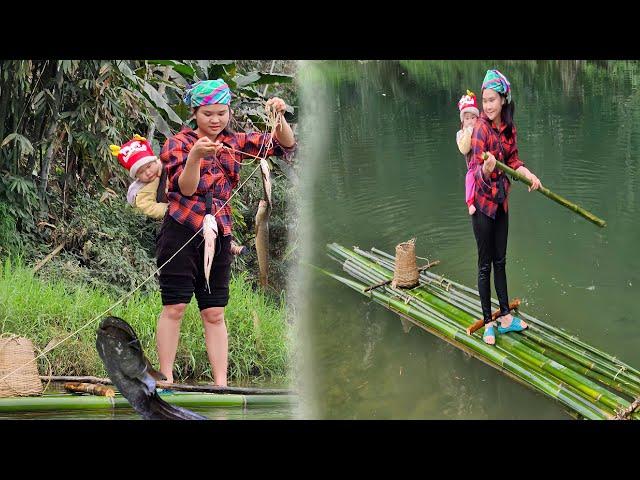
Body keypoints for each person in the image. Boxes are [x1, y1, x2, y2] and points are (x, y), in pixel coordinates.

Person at [156, 79, 296, 385]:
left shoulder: (234, 142)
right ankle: (165, 377)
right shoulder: (177, 144)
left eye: (221, 113)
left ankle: (221, 384)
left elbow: (284, 145)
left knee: (215, 312)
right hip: (181, 231)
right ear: (194, 113)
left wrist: (278, 116)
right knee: (175, 306)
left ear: (229, 111)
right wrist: (195, 156)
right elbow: (186, 188)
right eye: (208, 114)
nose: (216, 120)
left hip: (219, 234)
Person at [469, 69, 542, 345]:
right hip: (484, 206)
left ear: (503, 100)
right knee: (485, 265)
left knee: (501, 261)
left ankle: (506, 317)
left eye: (492, 100)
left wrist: (529, 176)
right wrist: (487, 172)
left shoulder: (509, 128)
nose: (487, 106)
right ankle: (488, 321)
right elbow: (476, 173)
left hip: (502, 204)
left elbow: (513, 161)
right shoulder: (479, 129)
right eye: (484, 100)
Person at [111, 135, 167, 220]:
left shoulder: (164, 164)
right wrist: (167, 209)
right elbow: (146, 206)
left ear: (155, 161)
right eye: (141, 172)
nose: (148, 173)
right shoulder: (145, 187)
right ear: (136, 176)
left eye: (149, 166)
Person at [456, 90, 480, 215]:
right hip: (473, 166)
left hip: (484, 161)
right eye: (467, 119)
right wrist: (468, 134)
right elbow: (464, 149)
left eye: (473, 118)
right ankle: (470, 203)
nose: (470, 121)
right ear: (463, 121)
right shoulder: (461, 134)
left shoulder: (482, 129)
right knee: (469, 178)